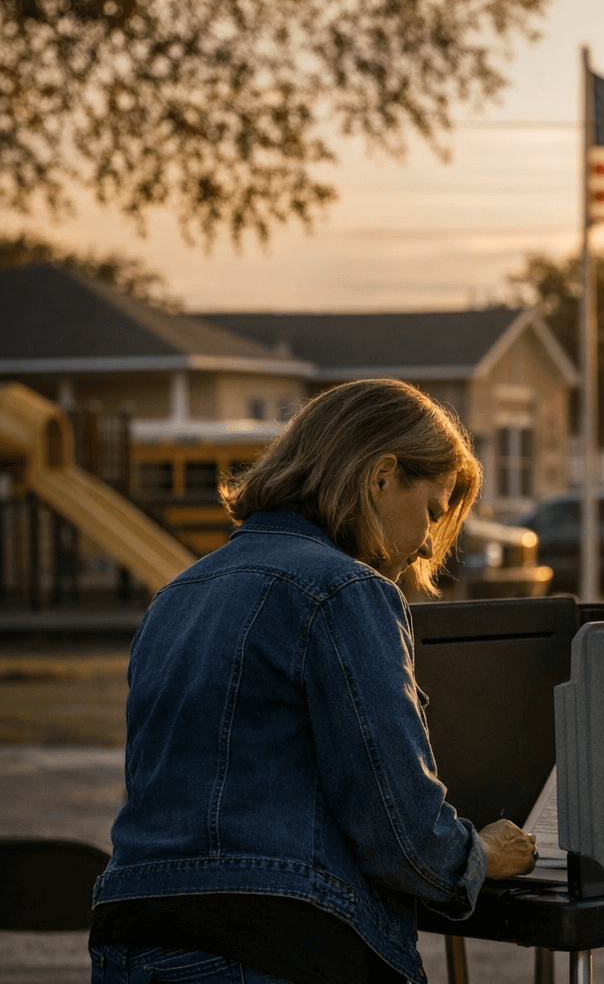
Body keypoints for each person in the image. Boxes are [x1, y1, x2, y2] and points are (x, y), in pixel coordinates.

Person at [89, 379, 537, 984]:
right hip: (275, 943)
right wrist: (480, 854)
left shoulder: (178, 594)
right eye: (432, 509)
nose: (431, 540)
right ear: (381, 476)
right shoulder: (346, 590)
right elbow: (400, 831)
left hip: (133, 938)